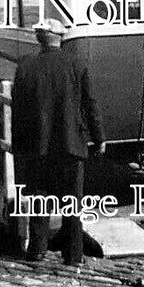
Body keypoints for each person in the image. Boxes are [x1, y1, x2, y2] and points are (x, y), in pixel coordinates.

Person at [10, 19, 106, 264]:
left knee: (39, 200)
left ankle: (37, 250)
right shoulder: (76, 64)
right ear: (60, 38)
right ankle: (73, 254)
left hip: (37, 146)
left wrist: (17, 145)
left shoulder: (25, 67)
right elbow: (90, 104)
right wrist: (99, 138)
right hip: (71, 145)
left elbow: (18, 111)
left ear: (38, 38)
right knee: (72, 203)